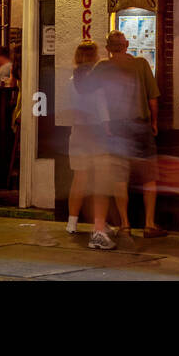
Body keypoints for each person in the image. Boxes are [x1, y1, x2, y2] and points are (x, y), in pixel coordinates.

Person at [86, 30, 166, 240]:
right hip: (140, 125)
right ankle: (149, 224)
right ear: (127, 44)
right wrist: (154, 122)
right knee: (149, 176)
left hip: (115, 127)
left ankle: (125, 224)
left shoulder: (102, 67)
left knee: (120, 178)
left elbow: (88, 91)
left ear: (107, 48)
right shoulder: (141, 64)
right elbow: (153, 99)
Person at [66, 40, 105, 234]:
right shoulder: (97, 82)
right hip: (96, 132)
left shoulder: (72, 81)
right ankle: (99, 223)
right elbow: (102, 108)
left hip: (78, 131)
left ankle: (71, 223)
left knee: (79, 179)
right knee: (99, 180)